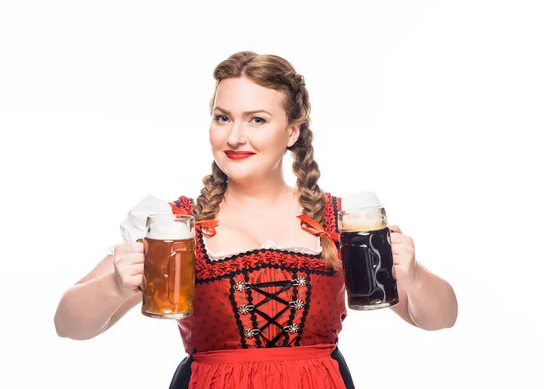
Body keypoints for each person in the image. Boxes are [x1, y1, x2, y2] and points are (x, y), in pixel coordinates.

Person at [54, 51, 458, 388]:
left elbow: (440, 319)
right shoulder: (174, 224)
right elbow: (68, 325)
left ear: (292, 132)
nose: (234, 137)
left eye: (257, 119)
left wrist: (414, 274)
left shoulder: (342, 221)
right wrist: (115, 285)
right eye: (223, 117)